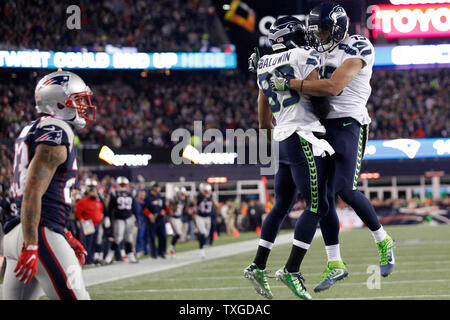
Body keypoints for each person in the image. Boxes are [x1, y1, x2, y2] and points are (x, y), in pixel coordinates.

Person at [270, 2, 395, 292]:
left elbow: (333, 87)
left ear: (338, 28)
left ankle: (384, 241)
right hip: (322, 125)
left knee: (344, 188)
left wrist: (289, 82)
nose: (320, 36)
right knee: (322, 198)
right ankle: (335, 263)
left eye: (324, 30)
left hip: (349, 123)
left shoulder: (359, 46)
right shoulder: (317, 50)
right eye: (316, 31)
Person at [243, 16, 335, 300]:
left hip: (281, 136)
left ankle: (258, 265)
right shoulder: (303, 54)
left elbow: (262, 116)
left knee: (282, 203)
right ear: (292, 34)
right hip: (301, 133)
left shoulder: (262, 63)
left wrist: (274, 132)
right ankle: (291, 269)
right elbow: (319, 98)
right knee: (317, 205)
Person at [2, 70, 93, 300]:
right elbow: (33, 189)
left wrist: (62, 233)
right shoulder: (56, 129)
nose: (83, 106)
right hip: (38, 232)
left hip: (17, 231)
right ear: (60, 103)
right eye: (78, 99)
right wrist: (34, 243)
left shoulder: (32, 128)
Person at [104, 176, 139, 264]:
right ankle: (109, 256)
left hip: (129, 217)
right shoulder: (114, 193)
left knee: (129, 238)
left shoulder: (131, 193)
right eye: (121, 184)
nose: (123, 186)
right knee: (118, 238)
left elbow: (134, 207)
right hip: (118, 218)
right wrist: (107, 216)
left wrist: (137, 217)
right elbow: (110, 207)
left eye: (124, 184)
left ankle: (130, 255)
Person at [74, 178, 104, 265]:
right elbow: (77, 211)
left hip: (97, 224)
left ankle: (91, 259)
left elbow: (101, 210)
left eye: (95, 192)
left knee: (95, 242)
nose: (94, 193)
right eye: (92, 192)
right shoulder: (83, 201)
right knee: (88, 242)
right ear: (89, 193)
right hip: (88, 224)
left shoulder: (98, 201)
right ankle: (86, 260)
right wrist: (81, 219)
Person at [143, 181, 170, 259]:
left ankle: (161, 252)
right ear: (153, 188)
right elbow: (144, 208)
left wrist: (166, 211)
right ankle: (153, 253)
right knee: (152, 237)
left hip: (160, 219)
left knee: (163, 236)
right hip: (152, 220)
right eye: (158, 187)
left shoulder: (160, 196)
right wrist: (150, 215)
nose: (159, 188)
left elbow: (164, 207)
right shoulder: (148, 197)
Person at [194, 183, 217, 259]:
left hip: (208, 218)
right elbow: (194, 202)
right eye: (206, 191)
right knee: (203, 233)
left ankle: (200, 246)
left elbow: (216, 204)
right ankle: (201, 250)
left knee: (206, 234)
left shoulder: (211, 196)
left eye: (209, 191)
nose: (208, 192)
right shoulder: (199, 196)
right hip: (200, 217)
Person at [168, 187, 189, 257]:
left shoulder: (184, 200)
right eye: (182, 194)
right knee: (177, 234)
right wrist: (175, 205)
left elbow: (185, 209)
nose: (183, 195)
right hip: (173, 218)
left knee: (177, 235)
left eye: (184, 194)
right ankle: (171, 249)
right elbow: (171, 211)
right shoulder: (174, 200)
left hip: (179, 218)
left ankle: (171, 249)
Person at [135, 188, 150, 257]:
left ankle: (146, 250)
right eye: (142, 192)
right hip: (140, 218)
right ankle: (138, 250)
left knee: (147, 236)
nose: (143, 193)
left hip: (146, 219)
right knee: (140, 236)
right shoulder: (137, 200)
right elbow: (138, 211)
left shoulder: (146, 200)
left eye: (144, 192)